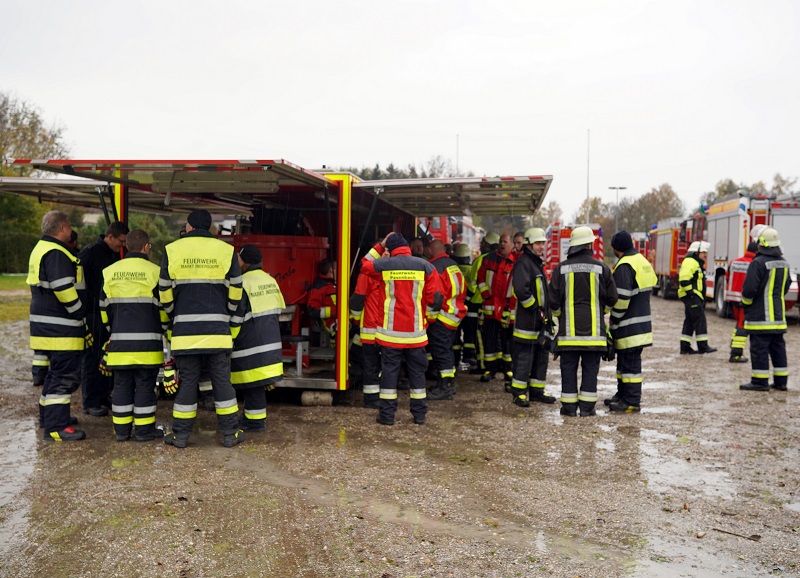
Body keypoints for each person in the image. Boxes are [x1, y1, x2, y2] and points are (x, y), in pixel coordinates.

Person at [159, 209, 244, 448]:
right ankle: (230, 434)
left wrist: (175, 313)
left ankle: (180, 436)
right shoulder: (227, 251)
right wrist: (224, 312)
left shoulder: (171, 250)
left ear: (189, 226)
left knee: (187, 382)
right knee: (221, 381)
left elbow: (164, 291)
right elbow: (236, 290)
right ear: (209, 227)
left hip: (185, 333)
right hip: (218, 330)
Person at [360, 232, 442, 426]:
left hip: (390, 335)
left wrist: (380, 245)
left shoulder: (384, 265)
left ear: (391, 249)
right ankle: (419, 415)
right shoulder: (426, 266)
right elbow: (436, 299)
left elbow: (364, 265)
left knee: (389, 374)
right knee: (417, 374)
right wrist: (427, 320)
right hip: (416, 334)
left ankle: (387, 416)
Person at [100, 229, 168, 442]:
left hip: (119, 344)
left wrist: (113, 332)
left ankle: (121, 432)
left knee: (121, 385)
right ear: (147, 247)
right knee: (146, 386)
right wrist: (165, 330)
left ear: (126, 246)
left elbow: (104, 310)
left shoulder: (110, 272)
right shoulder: (156, 272)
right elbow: (164, 310)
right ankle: (144, 432)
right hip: (147, 346)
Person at [27, 210, 87, 441]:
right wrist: (79, 311)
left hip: (47, 326)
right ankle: (56, 427)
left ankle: (50, 416)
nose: (71, 230)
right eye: (70, 226)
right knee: (64, 377)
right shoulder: (56, 252)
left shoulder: (41, 248)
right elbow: (62, 287)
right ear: (62, 228)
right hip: (61, 328)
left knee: (55, 375)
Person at [549, 226, 617, 417]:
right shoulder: (602, 268)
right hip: (594, 337)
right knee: (590, 372)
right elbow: (612, 298)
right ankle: (587, 409)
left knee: (568, 371)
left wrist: (560, 315)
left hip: (568, 337)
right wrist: (600, 311)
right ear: (589, 245)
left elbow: (552, 300)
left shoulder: (560, 269)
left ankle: (569, 408)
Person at [230, 245, 286, 431]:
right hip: (270, 344)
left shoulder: (243, 282)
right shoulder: (270, 280)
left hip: (250, 344)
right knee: (255, 388)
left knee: (251, 386)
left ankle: (254, 423)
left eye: (238, 259)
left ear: (245, 262)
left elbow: (236, 317)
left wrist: (229, 338)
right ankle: (254, 419)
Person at [78, 221, 129, 416]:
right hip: (92, 313)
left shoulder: (112, 253)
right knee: (92, 358)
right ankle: (90, 402)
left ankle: (104, 395)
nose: (122, 246)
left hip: (106, 312)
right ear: (110, 236)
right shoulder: (91, 252)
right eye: (120, 241)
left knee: (107, 356)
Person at [605, 230, 658, 413]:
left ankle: (632, 402)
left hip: (629, 326)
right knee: (624, 363)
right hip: (641, 324)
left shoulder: (624, 266)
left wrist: (614, 319)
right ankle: (622, 395)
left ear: (616, 248)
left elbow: (622, 298)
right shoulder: (641, 261)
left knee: (630, 366)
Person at [509, 227, 556, 407]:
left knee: (540, 359)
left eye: (543, 243)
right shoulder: (524, 263)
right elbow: (521, 290)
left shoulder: (536, 263)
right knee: (524, 359)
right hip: (527, 322)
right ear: (528, 244)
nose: (541, 247)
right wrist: (536, 309)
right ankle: (519, 393)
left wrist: (545, 315)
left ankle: (537, 392)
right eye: (538, 243)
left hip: (539, 321)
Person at [739, 227, 790, 392]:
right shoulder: (784, 263)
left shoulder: (758, 263)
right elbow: (786, 287)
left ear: (761, 244)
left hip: (760, 317)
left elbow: (749, 290)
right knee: (778, 348)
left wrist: (745, 303)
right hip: (778, 317)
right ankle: (781, 382)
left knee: (759, 349)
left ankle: (759, 382)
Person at [426, 239, 467, 400]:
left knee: (441, 351)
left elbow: (436, 296)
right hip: (454, 315)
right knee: (446, 350)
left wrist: (429, 316)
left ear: (430, 250)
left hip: (442, 316)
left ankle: (445, 387)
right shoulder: (453, 264)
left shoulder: (435, 267)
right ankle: (447, 384)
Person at [350, 242, 389, 409]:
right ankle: (371, 398)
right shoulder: (369, 273)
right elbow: (357, 302)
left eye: (389, 251)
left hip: (383, 329)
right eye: (385, 252)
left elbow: (357, 303)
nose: (387, 254)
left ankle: (377, 396)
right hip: (372, 329)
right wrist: (358, 322)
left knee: (381, 364)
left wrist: (357, 321)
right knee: (372, 365)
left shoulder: (377, 273)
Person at [477, 233, 516, 385]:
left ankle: (508, 369)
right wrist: (486, 295)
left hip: (507, 310)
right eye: (501, 241)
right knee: (490, 341)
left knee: (508, 342)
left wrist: (510, 303)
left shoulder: (516, 261)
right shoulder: (489, 259)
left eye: (505, 241)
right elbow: (480, 278)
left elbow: (517, 286)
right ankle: (490, 370)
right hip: (490, 308)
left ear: (511, 244)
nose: (502, 244)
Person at [726, 224, 766, 363]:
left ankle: (734, 345)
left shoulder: (734, 262)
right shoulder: (755, 264)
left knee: (738, 323)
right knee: (743, 325)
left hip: (732, 299)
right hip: (745, 299)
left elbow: (727, 277)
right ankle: (736, 353)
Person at [465, 233, 498, 373]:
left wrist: (466, 300)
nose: (481, 245)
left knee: (479, 336)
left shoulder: (480, 260)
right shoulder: (500, 260)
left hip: (478, 303)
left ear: (488, 244)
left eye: (483, 242)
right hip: (496, 304)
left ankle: (483, 365)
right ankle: (497, 365)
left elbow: (473, 284)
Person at [678, 241, 717, 354]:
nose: (705, 255)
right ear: (696, 252)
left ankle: (685, 347)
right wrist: (692, 294)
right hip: (692, 297)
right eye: (703, 252)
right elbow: (684, 279)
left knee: (690, 322)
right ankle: (703, 347)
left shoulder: (694, 262)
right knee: (700, 321)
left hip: (693, 297)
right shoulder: (691, 262)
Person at [451, 243, 474, 366]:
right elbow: (474, 286)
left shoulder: (454, 269)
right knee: (469, 332)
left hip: (456, 306)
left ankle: (455, 357)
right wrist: (467, 299)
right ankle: (468, 356)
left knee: (456, 331)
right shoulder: (471, 269)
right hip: (470, 306)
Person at [307, 258, 337, 341]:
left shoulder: (335, 284)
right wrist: (337, 311)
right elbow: (312, 311)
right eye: (337, 268)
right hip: (334, 325)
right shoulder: (318, 287)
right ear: (331, 270)